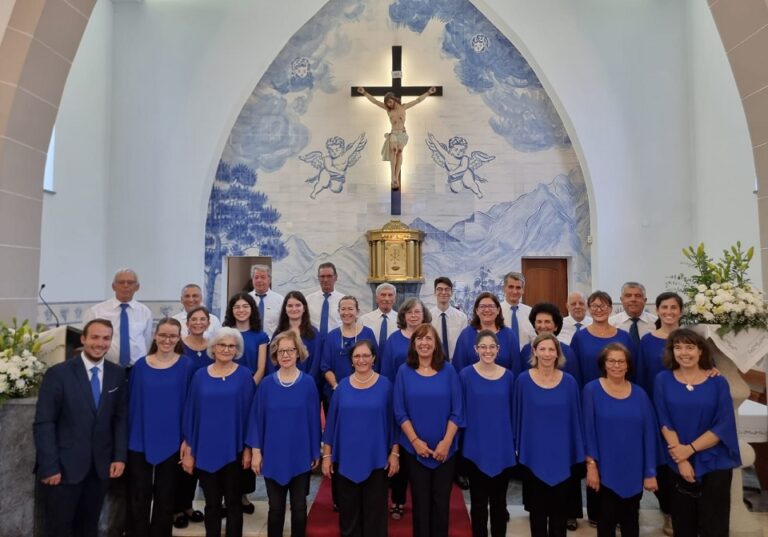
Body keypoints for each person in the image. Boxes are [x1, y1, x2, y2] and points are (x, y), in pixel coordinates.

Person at [33, 319, 128, 537]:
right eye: (95, 337)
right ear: (83, 339)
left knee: (89, 528)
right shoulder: (58, 373)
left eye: (106, 338)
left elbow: (120, 418)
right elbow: (44, 422)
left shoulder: (117, 374)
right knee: (58, 529)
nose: (100, 343)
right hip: (63, 469)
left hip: (100, 469)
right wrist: (49, 466)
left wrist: (119, 457)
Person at [653, 328, 740, 537]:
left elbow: (723, 425)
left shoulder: (718, 382)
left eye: (690, 347)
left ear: (701, 351)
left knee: (714, 524)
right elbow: (664, 421)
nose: (684, 352)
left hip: (715, 461)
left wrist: (689, 449)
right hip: (677, 460)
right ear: (672, 351)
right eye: (678, 347)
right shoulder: (662, 379)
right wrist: (682, 458)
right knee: (683, 524)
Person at [181, 328, 255, 537]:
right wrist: (189, 448)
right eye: (222, 345)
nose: (226, 349)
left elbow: (251, 415)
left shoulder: (244, 375)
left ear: (237, 350)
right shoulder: (199, 376)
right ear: (213, 348)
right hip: (206, 450)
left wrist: (249, 448)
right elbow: (191, 413)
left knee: (233, 502)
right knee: (212, 504)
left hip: (235, 450)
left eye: (231, 346)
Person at [322, 340, 400, 537]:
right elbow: (331, 424)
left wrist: (395, 454)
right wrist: (327, 456)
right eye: (357, 356)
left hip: (377, 461)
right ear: (351, 360)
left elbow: (394, 423)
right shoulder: (342, 387)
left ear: (374, 358)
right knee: (349, 518)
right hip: (346, 462)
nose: (361, 360)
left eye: (366, 355)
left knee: (375, 518)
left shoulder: (386, 386)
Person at [393, 323, 464, 537]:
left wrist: (446, 443)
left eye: (429, 338)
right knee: (420, 503)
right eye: (420, 339)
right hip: (415, 451)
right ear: (413, 344)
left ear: (436, 344)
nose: (424, 343)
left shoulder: (449, 370)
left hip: (445, 451)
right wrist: (415, 442)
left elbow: (457, 411)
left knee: (441, 503)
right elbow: (400, 412)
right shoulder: (404, 371)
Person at [582, 343, 660, 537]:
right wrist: (591, 466)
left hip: (633, 471)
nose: (616, 365)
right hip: (604, 471)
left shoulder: (640, 395)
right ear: (604, 364)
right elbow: (587, 431)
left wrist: (650, 472)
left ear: (628, 365)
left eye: (621, 361)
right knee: (606, 522)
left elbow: (649, 435)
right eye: (611, 361)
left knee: (631, 522)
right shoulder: (591, 390)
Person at [248, 331, 321, 537]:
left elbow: (314, 420)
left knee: (299, 507)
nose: (286, 355)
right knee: (275, 509)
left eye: (290, 350)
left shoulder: (308, 384)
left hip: (300, 455)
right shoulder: (266, 385)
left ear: (298, 353)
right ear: (275, 355)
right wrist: (256, 452)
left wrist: (315, 451)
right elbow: (256, 420)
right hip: (273, 455)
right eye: (281, 351)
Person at [513, 333, 584, 537]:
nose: (546, 353)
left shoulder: (569, 382)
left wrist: (577, 453)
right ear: (534, 352)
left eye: (551, 349)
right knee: (537, 513)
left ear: (557, 353)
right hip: (533, 455)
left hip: (561, 456)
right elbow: (517, 416)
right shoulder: (523, 381)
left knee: (559, 515)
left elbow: (575, 420)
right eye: (542, 349)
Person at [127, 318, 194, 537]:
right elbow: (132, 404)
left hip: (172, 440)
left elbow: (190, 405)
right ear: (155, 336)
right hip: (140, 438)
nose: (167, 340)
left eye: (172, 336)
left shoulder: (186, 365)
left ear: (179, 338)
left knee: (165, 498)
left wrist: (187, 440)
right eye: (163, 335)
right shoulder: (140, 366)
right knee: (138, 496)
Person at [459, 330, 516, 537]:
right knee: (478, 503)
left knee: (499, 502)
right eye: (483, 347)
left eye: (492, 347)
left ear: (498, 349)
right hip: (476, 447)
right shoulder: (465, 375)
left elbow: (513, 411)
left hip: (502, 447)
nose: (487, 351)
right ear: (476, 349)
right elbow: (461, 411)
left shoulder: (508, 377)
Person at [636, 292, 684, 535]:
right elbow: (641, 377)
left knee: (684, 460)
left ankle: (686, 513)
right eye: (664, 307)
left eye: (674, 307)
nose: (669, 312)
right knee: (663, 464)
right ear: (657, 310)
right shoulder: (647, 341)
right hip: (656, 410)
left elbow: (705, 365)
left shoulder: (690, 338)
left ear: (681, 311)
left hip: (685, 411)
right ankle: (669, 513)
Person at [380, 297, 432, 519]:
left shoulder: (430, 338)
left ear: (423, 314)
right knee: (399, 450)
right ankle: (398, 499)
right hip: (399, 403)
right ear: (403, 315)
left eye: (417, 312)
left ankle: (424, 500)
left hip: (425, 403)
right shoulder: (393, 340)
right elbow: (385, 372)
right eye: (409, 312)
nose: (413, 315)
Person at [357, 86, 437, 190]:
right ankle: (392, 176)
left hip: (402, 134)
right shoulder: (388, 110)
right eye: (387, 103)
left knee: (399, 152)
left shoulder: (404, 107)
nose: (389, 104)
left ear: (393, 99)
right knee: (394, 150)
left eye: (390, 102)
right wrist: (364, 93)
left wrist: (428, 93)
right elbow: (375, 102)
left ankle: (396, 176)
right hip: (394, 133)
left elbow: (417, 100)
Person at [175, 306, 211, 529]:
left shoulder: (212, 347)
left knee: (197, 457)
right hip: (182, 406)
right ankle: (175, 508)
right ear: (187, 323)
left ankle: (188, 505)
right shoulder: (179, 346)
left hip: (205, 409)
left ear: (208, 323)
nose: (198, 323)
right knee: (180, 457)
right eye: (194, 319)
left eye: (202, 319)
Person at [83, 268, 153, 366]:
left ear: (137, 287)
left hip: (137, 367)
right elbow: (87, 341)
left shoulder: (145, 312)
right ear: (113, 286)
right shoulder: (96, 311)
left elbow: (147, 340)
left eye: (130, 282)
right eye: (121, 282)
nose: (125, 285)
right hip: (107, 366)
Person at [571, 291, 634, 388]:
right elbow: (574, 370)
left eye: (603, 306)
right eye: (594, 306)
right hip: (588, 392)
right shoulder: (579, 337)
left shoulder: (624, 337)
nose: (599, 310)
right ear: (589, 309)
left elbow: (632, 369)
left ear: (610, 309)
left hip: (620, 391)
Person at [321, 295, 378, 402]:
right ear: (338, 311)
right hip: (336, 392)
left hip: (364, 390)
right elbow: (325, 367)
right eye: (343, 309)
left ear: (357, 311)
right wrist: (336, 387)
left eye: (350, 309)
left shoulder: (368, 333)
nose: (346, 312)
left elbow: (375, 363)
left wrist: (365, 385)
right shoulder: (331, 336)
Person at [452, 292, 522, 374]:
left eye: (491, 306)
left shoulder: (510, 336)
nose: (487, 310)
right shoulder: (466, 335)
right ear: (477, 311)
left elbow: (516, 368)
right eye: (482, 306)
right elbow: (458, 367)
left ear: (498, 310)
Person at [521, 302, 582, 386]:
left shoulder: (567, 352)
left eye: (547, 322)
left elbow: (575, 384)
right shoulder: (526, 351)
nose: (543, 326)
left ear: (556, 326)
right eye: (539, 322)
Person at [270, 290, 321, 380]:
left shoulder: (313, 333)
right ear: (285, 309)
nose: (294, 309)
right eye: (290, 306)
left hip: (306, 382)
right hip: (281, 381)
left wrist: (307, 381)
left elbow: (316, 363)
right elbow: (272, 359)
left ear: (304, 308)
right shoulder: (278, 332)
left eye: (298, 305)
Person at [222, 292, 268, 384]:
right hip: (228, 383)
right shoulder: (225, 334)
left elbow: (261, 369)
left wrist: (250, 387)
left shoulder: (261, 336)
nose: (241, 310)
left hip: (252, 384)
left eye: (245, 306)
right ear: (231, 310)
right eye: (237, 307)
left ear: (252, 309)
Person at [429, 276, 468, 361]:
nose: (443, 292)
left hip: (456, 362)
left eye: (447, 289)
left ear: (451, 293)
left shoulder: (462, 318)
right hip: (433, 361)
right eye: (439, 289)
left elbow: (464, 344)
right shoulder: (427, 317)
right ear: (435, 292)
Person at [305, 262, 345, 342]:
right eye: (322, 276)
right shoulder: (309, 300)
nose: (325, 280)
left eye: (329, 276)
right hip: (314, 342)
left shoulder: (344, 300)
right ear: (318, 278)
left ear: (335, 277)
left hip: (336, 342)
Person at [501, 272, 536, 350]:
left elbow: (535, 339)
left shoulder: (530, 312)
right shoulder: (496, 311)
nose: (514, 291)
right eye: (511, 287)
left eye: (518, 288)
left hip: (526, 356)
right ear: (504, 288)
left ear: (523, 290)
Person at [248, 264, 284, 337]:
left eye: (263, 277)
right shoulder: (246, 299)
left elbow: (284, 324)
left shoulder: (280, 300)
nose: (259, 280)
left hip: (273, 342)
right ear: (252, 280)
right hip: (250, 341)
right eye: (256, 277)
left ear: (269, 280)